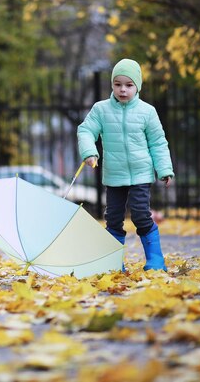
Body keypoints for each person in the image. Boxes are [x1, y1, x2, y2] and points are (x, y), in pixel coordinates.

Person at [77, 58, 174, 271]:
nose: (123, 90)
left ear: (137, 86)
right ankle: (113, 264)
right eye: (118, 84)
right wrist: (89, 152)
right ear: (112, 85)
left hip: (141, 174)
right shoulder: (101, 110)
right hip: (114, 175)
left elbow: (158, 142)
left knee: (140, 214)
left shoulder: (147, 112)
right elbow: (85, 130)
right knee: (112, 218)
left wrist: (164, 168)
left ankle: (156, 261)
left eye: (129, 85)